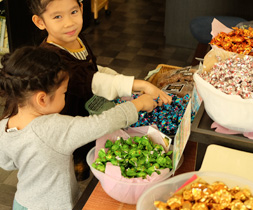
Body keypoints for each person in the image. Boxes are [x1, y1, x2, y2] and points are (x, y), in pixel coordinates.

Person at [0, 46, 159, 210]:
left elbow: (6, 163)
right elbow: (103, 123)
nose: (66, 97)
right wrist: (137, 104)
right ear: (42, 99)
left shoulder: (4, 124)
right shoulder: (53, 128)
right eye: (64, 93)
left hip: (24, 207)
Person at [28, 0, 172, 181]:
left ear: (81, 7)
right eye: (57, 17)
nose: (69, 23)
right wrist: (140, 85)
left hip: (86, 111)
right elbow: (92, 81)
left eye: (73, 12)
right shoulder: (51, 56)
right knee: (73, 162)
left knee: (91, 144)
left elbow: (93, 69)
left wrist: (122, 81)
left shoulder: (75, 38)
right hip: (68, 119)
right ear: (40, 22)